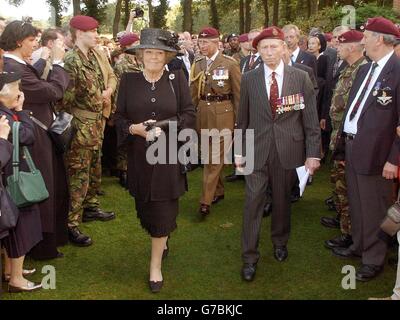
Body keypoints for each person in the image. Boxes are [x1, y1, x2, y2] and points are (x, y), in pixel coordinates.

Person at [114, 28, 196, 293]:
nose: (153, 57)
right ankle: (163, 235)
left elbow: (189, 114)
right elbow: (119, 118)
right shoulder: (128, 80)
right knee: (146, 209)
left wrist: (166, 127)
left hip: (169, 156)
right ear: (140, 55)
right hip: (139, 158)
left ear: (166, 56)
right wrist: (132, 130)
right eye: (148, 52)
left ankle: (155, 266)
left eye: (158, 53)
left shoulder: (178, 78)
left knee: (162, 209)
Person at [237, 27, 321, 281]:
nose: (270, 52)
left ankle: (280, 242)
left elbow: (310, 121)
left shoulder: (301, 77)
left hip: (288, 150)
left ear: (284, 48)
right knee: (253, 202)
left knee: (283, 201)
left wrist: (313, 154)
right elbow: (243, 120)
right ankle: (249, 257)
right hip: (256, 150)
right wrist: (239, 152)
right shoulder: (250, 78)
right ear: (258, 50)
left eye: (274, 46)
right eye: (264, 47)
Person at [332, 17, 400, 282]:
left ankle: (374, 259)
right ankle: (359, 246)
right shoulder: (365, 69)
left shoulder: (397, 71)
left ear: (379, 39)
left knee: (374, 208)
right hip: (353, 147)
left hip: (379, 156)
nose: (363, 40)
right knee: (358, 204)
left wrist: (394, 159)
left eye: (367, 36)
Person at [1, 20, 71, 260]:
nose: (35, 45)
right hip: (33, 136)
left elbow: (37, 80)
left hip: (36, 132)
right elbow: (51, 92)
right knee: (40, 188)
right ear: (19, 41)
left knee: (51, 186)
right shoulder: (13, 67)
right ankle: (39, 246)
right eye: (31, 41)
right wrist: (59, 63)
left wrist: (46, 61)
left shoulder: (17, 65)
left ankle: (45, 241)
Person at [59, 15, 117, 247]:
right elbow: (65, 98)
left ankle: (91, 207)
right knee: (78, 174)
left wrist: (108, 92)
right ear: (79, 33)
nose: (96, 35)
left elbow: (110, 77)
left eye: (96, 31)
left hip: (96, 124)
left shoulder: (95, 55)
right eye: (92, 31)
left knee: (94, 167)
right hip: (81, 125)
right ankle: (71, 224)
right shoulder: (72, 60)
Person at [322, 31, 367, 251]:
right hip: (339, 135)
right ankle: (342, 220)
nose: (337, 48)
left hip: (351, 138)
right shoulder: (348, 68)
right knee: (338, 181)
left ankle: (349, 233)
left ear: (352, 47)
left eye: (341, 44)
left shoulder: (363, 69)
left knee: (347, 186)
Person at [190, 27, 241, 217]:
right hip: (203, 113)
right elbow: (194, 92)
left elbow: (239, 95)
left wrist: (238, 122)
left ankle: (205, 201)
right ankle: (218, 190)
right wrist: (189, 114)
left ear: (217, 43)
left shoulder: (230, 63)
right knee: (208, 157)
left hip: (224, 114)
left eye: (206, 42)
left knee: (213, 159)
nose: (202, 46)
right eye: (200, 42)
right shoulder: (198, 63)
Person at [0, 71, 43, 292]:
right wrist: (21, 111)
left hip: (7, 178)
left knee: (12, 228)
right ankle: (16, 278)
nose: (20, 93)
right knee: (20, 226)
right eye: (17, 88)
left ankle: (10, 270)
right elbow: (28, 136)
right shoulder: (5, 116)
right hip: (13, 180)